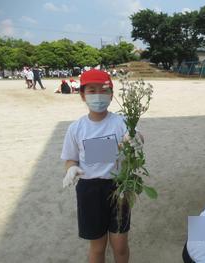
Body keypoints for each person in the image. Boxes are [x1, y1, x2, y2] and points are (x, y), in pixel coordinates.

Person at [61, 69, 141, 263]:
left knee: (120, 245)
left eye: (104, 90)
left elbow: (137, 137)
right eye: (91, 90)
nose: (98, 95)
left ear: (112, 95)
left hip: (119, 187)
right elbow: (70, 159)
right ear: (82, 95)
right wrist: (71, 168)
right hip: (89, 190)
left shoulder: (121, 122)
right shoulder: (76, 128)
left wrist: (136, 138)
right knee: (97, 247)